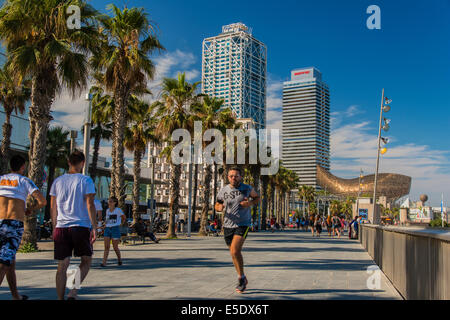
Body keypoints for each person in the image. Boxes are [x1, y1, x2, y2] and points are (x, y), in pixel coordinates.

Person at [50, 150, 97, 300]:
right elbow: (90, 204)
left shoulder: (57, 181)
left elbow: (53, 207)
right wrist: (94, 226)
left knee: (62, 266)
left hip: (61, 227)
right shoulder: (86, 180)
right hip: (80, 226)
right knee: (86, 260)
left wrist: (54, 227)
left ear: (69, 163)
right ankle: (72, 292)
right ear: (83, 163)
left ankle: (60, 298)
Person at [0, 155, 46, 300]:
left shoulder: (1, 179)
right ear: (23, 167)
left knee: (10, 262)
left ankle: (16, 296)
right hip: (13, 225)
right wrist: (30, 208)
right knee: (4, 262)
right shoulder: (24, 180)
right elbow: (42, 201)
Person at [214, 167, 260, 294]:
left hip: (243, 224)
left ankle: (240, 279)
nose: (233, 178)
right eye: (231, 176)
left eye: (236, 175)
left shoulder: (247, 188)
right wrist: (219, 208)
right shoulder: (223, 190)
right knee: (234, 254)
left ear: (241, 177)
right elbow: (217, 204)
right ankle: (242, 277)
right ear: (228, 177)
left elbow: (257, 198)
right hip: (228, 225)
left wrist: (249, 204)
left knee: (235, 250)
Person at [101, 196, 126, 267]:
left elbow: (123, 217)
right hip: (107, 229)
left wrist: (120, 224)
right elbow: (107, 219)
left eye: (111, 201)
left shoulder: (118, 210)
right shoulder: (107, 210)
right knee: (106, 247)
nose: (109, 202)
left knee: (115, 247)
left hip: (115, 229)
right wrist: (104, 225)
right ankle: (104, 262)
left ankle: (119, 259)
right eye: (109, 201)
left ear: (115, 203)